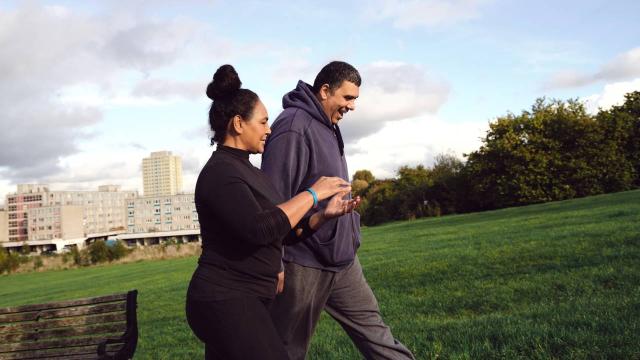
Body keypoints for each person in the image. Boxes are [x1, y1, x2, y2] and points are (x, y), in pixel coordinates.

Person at [185, 64, 359, 360]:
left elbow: (282, 231)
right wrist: (312, 193)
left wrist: (322, 215)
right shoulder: (220, 174)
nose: (269, 129)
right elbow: (259, 229)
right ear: (239, 124)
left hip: (248, 296)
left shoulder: (249, 171)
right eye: (263, 122)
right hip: (223, 299)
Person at [262, 61, 416, 360]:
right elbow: (274, 201)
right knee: (284, 350)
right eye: (347, 98)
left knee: (379, 338)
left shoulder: (329, 125)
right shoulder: (294, 126)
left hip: (342, 260)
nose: (352, 106)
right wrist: (275, 261)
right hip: (303, 261)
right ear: (324, 91)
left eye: (355, 99)